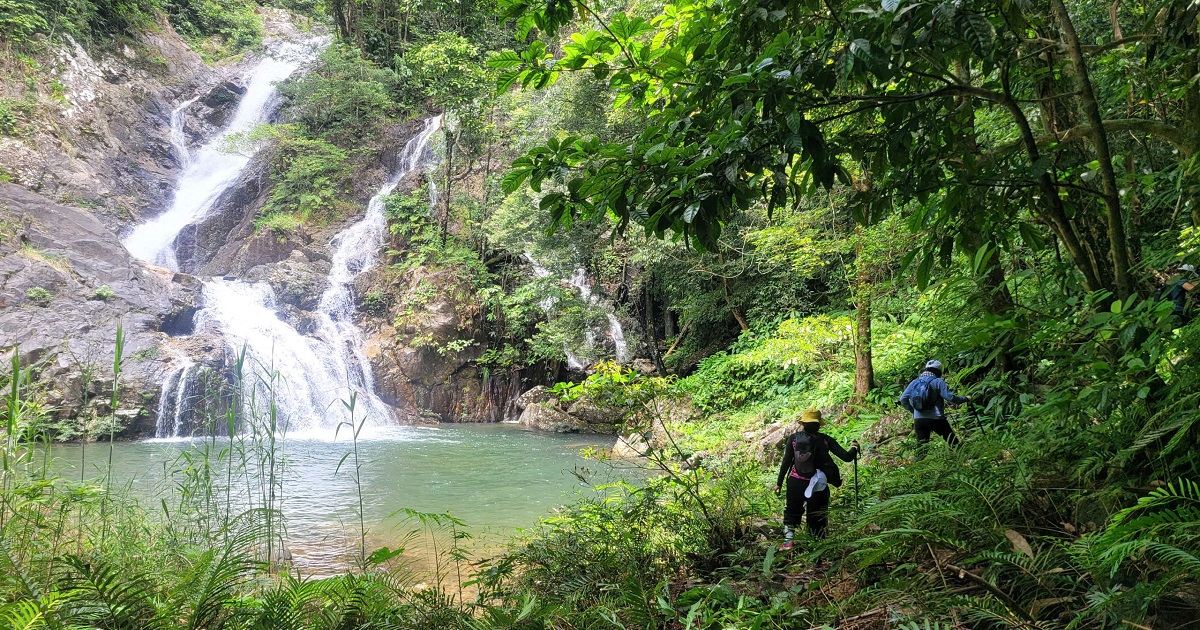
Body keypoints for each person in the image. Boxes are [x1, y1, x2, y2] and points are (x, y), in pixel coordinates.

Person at [774, 408, 859, 550]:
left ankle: (788, 541)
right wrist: (854, 448)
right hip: (817, 484)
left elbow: (786, 462)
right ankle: (815, 549)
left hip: (795, 481)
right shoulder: (825, 440)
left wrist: (779, 483)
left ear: (803, 423)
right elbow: (846, 457)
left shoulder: (793, 439)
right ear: (818, 424)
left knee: (792, 510)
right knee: (816, 516)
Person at [900, 359, 969, 446]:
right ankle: (963, 458)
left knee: (922, 449)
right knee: (954, 444)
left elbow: (903, 399)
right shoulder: (938, 382)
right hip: (936, 418)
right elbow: (950, 397)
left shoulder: (914, 382)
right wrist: (965, 398)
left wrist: (913, 411)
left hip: (919, 419)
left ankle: (920, 459)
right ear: (938, 371)